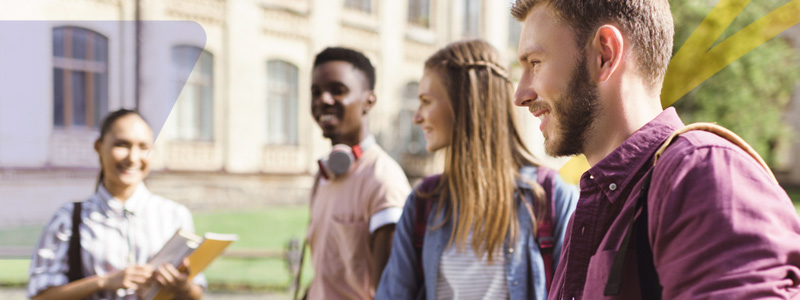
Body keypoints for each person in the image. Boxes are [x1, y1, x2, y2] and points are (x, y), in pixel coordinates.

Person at [510, 0, 800, 299]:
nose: (521, 95)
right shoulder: (600, 206)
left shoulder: (702, 174)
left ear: (604, 54)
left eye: (535, 62)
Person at [376, 39, 578, 300]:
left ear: (466, 104)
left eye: (426, 101)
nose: (417, 117)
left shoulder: (551, 196)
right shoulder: (422, 202)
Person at [27, 109, 206, 300]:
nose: (132, 158)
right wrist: (104, 282)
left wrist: (183, 287)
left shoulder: (174, 215)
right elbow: (39, 297)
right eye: (122, 145)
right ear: (99, 146)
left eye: (143, 147)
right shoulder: (68, 219)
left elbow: (197, 293)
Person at [306, 47, 411, 299]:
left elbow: (390, 291)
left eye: (338, 90)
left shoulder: (383, 180)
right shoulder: (323, 174)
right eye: (316, 92)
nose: (324, 100)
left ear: (369, 101)